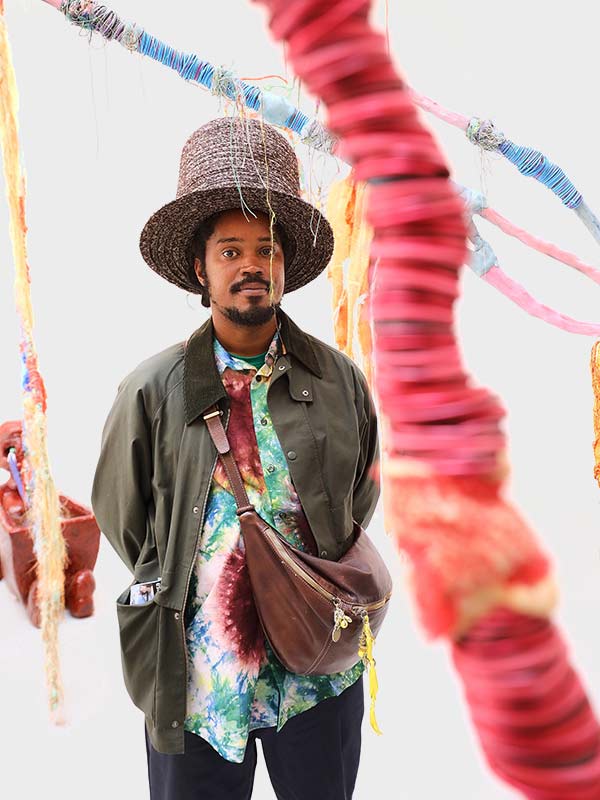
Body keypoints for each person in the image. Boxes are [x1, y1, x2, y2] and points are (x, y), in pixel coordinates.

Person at [91, 116, 381, 800]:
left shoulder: (339, 380)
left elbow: (359, 498)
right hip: (199, 680)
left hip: (317, 670)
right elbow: (123, 518)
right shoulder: (151, 390)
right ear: (201, 268)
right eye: (230, 251)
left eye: (266, 249)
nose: (252, 265)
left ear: (285, 263)